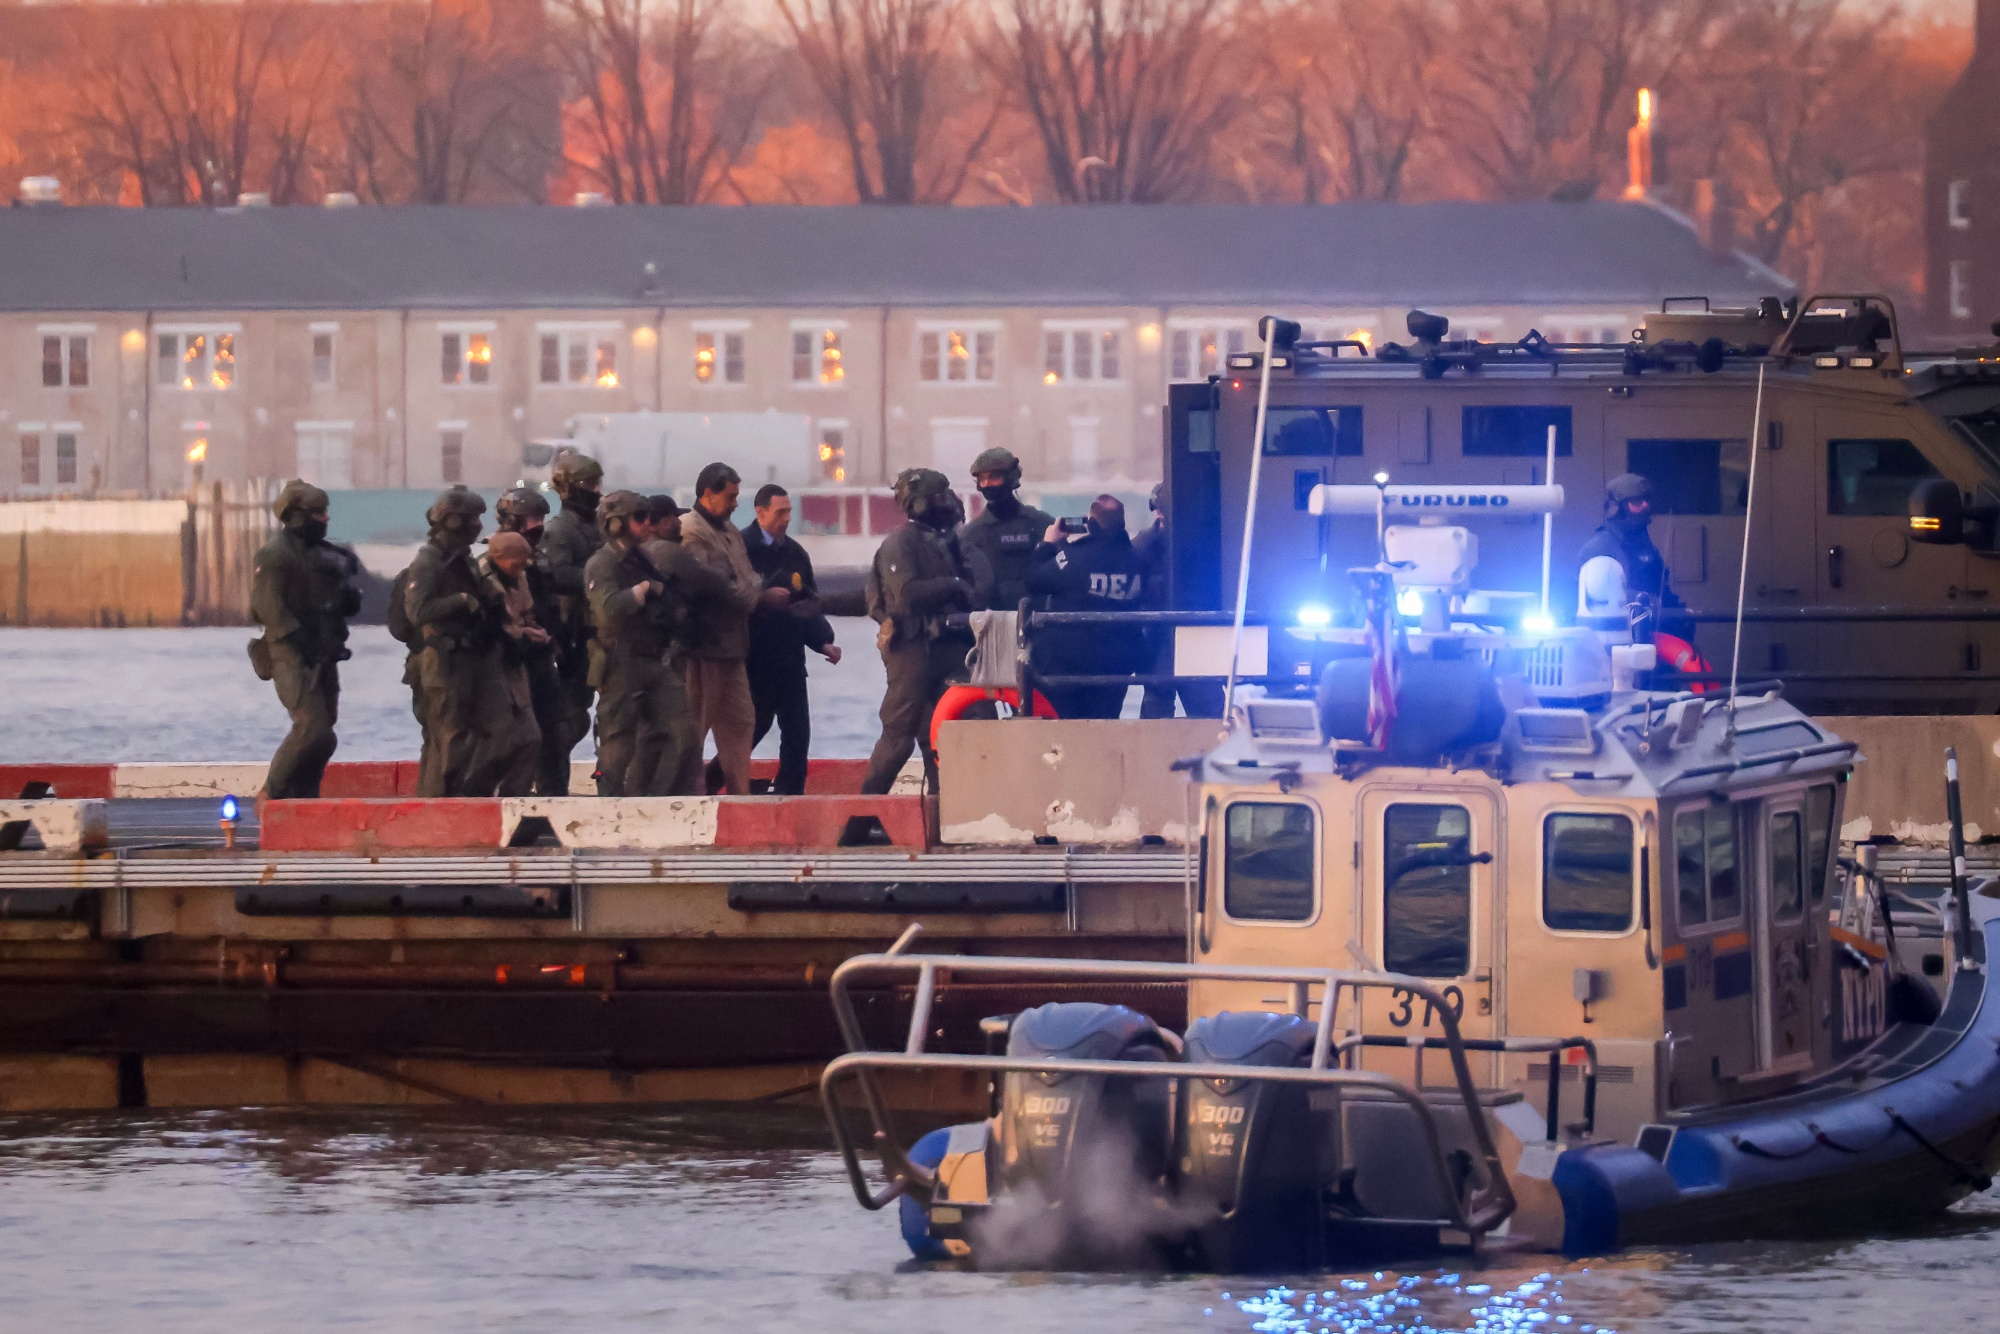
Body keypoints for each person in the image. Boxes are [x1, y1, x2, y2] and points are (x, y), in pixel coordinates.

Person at [861, 468, 977, 795]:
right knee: (898, 737)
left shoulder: (948, 543)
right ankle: (861, 820)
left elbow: (977, 587)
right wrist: (953, 586)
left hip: (947, 649)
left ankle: (946, 816)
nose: (950, 502)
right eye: (941, 496)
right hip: (911, 648)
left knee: (947, 734)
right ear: (921, 504)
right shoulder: (900, 544)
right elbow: (907, 594)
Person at [250, 480, 362, 798]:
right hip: (292, 655)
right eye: (317, 513)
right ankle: (271, 793)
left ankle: (305, 793)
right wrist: (303, 640)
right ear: (297, 515)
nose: (325, 519)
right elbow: (267, 608)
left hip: (325, 655)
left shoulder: (325, 555)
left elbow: (334, 599)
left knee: (326, 736)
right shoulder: (274, 556)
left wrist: (345, 600)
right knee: (311, 727)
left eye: (325, 511)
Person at [679, 462, 785, 795]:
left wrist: (751, 590)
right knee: (695, 728)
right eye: (730, 496)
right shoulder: (690, 532)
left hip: (733, 648)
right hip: (704, 650)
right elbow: (720, 589)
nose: (736, 503)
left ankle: (739, 797)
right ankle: (691, 798)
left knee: (741, 724)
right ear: (708, 493)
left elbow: (746, 578)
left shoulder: (729, 532)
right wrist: (758, 595)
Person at [730, 484, 840, 795]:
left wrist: (823, 642)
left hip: (790, 660)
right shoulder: (742, 548)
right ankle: (720, 783)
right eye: (780, 513)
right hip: (753, 659)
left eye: (789, 512)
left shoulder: (795, 553)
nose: (786, 518)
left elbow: (808, 602)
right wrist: (761, 598)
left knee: (797, 732)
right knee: (752, 728)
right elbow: (728, 597)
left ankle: (790, 793)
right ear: (760, 512)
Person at [585, 490, 692, 798]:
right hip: (620, 661)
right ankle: (609, 804)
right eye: (639, 518)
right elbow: (607, 610)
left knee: (681, 732)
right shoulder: (602, 563)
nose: (647, 524)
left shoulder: (641, 558)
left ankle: (657, 798)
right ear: (617, 524)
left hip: (653, 658)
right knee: (618, 742)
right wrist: (641, 591)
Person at [404, 486, 499, 797]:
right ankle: (436, 805)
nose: (477, 526)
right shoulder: (428, 561)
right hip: (440, 661)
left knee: (466, 735)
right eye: (471, 519)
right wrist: (459, 600)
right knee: (447, 737)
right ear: (454, 521)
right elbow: (418, 611)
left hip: (466, 658)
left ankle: (448, 800)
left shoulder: (463, 559)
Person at [1024, 494, 1150, 720]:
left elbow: (1034, 580)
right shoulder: (1138, 560)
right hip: (1115, 669)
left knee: (1066, 732)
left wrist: (1049, 544)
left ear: (1090, 524)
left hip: (1067, 668)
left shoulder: (1072, 558)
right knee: (1104, 728)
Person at [494, 486, 569, 795]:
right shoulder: (495, 559)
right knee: (520, 739)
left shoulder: (539, 559)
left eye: (540, 519)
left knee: (555, 731)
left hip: (541, 657)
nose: (537, 527)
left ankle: (553, 799)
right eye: (531, 520)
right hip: (512, 662)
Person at [541, 450, 607, 783]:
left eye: (597, 484)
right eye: (590, 485)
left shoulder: (596, 527)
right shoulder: (560, 530)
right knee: (572, 716)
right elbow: (560, 574)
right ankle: (547, 775)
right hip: (576, 633)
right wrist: (600, 577)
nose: (596, 491)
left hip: (601, 631)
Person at [1132, 482, 1222, 719]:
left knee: (1208, 715)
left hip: (1188, 641)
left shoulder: (1144, 545)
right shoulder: (1145, 545)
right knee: (1165, 712)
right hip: (1163, 641)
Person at [474, 530, 547, 796]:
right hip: (491, 671)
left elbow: (525, 612)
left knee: (531, 738)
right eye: (515, 564)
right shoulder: (482, 580)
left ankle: (515, 796)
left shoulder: (519, 576)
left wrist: (533, 630)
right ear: (498, 558)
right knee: (498, 742)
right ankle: (477, 796)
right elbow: (497, 626)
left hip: (516, 668)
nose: (520, 570)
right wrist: (525, 633)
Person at [1578, 473, 1685, 633]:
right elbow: (1598, 598)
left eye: (1647, 501)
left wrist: (1678, 614)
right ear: (1616, 508)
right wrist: (1644, 601)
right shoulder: (1598, 548)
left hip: (1653, 633)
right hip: (1617, 637)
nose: (1645, 506)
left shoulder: (1645, 545)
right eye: (1636, 502)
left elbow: (1661, 588)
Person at [961, 446, 1054, 611]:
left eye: (994, 477)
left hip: (1037, 620)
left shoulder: (1041, 525)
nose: (987, 484)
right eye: (982, 479)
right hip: (993, 625)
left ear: (1011, 477)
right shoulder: (972, 534)